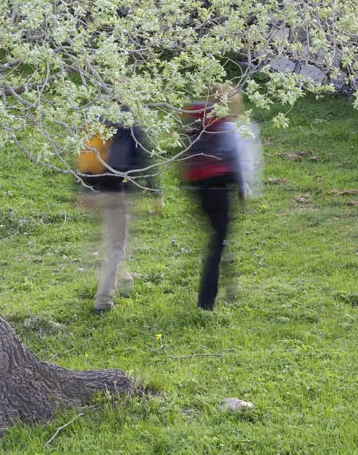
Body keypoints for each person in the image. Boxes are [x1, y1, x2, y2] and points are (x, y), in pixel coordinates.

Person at [77, 112, 162, 314]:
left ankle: (124, 278)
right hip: (117, 192)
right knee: (116, 247)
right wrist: (155, 191)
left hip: (94, 190)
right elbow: (146, 156)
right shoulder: (130, 123)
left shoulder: (96, 118)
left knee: (113, 240)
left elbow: (81, 150)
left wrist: (81, 188)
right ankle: (103, 301)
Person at [182, 85, 246, 311]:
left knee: (219, 236)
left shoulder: (197, 120)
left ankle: (231, 286)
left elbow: (185, 151)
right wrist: (241, 188)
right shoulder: (226, 126)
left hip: (198, 187)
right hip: (220, 187)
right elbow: (235, 156)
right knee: (218, 242)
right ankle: (206, 301)